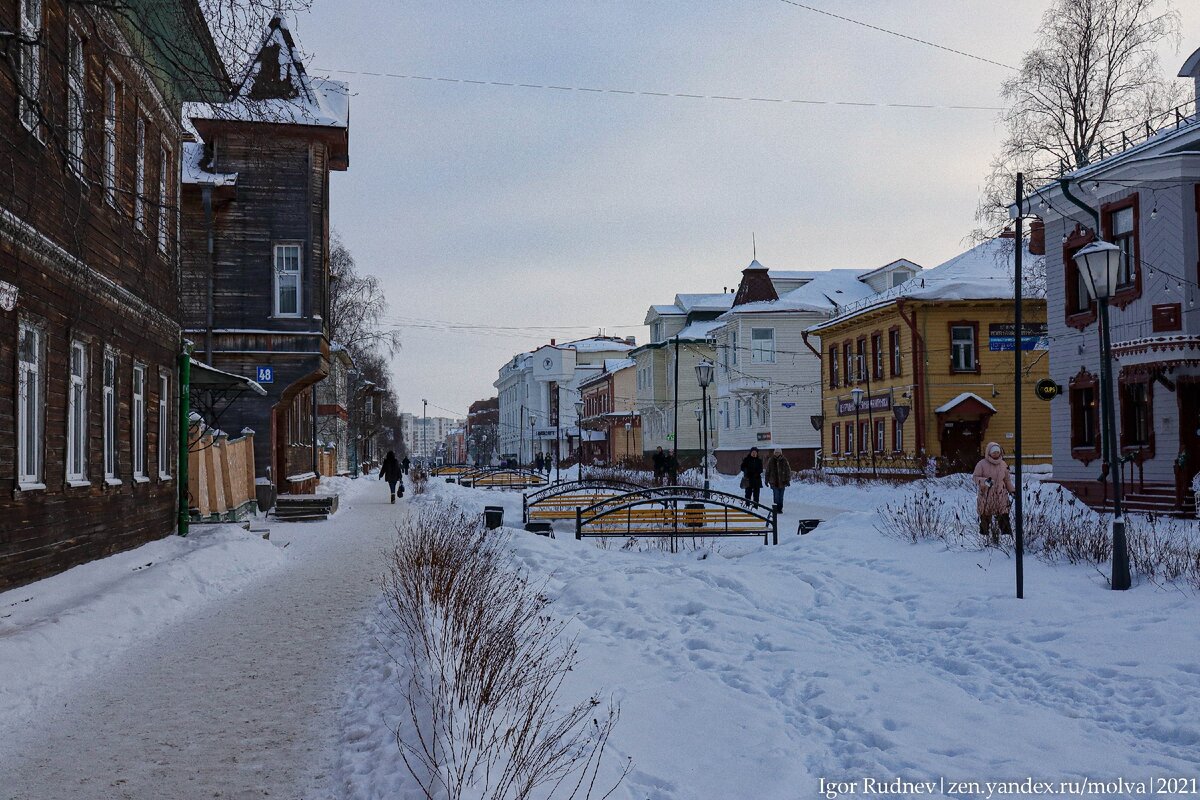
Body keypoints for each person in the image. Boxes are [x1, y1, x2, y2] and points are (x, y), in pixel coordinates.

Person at [973, 442, 1015, 544]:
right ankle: (984, 538)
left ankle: (1006, 538)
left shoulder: (1003, 464)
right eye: (993, 452)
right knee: (985, 515)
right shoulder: (981, 464)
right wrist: (985, 481)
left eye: (997, 451)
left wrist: (1012, 491)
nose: (996, 454)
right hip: (986, 495)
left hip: (1001, 495)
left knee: (1003, 515)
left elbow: (1007, 480)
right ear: (989, 452)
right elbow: (975, 478)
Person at [765, 448, 791, 513]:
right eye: (776, 452)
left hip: (782, 481)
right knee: (776, 496)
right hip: (774, 482)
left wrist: (788, 480)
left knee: (781, 497)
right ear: (774, 453)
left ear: (780, 453)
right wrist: (766, 480)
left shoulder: (784, 460)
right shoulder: (771, 460)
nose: (777, 453)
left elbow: (788, 470)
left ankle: (780, 508)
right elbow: (767, 471)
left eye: (778, 452)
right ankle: (776, 508)